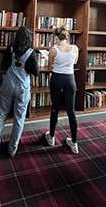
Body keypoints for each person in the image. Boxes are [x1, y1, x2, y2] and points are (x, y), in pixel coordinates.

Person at [0, 26, 39, 158]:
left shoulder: (10, 48)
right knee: (19, 118)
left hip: (8, 84)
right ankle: (12, 148)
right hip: (22, 87)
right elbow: (36, 72)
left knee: (1, 113)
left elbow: (4, 65)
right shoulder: (31, 53)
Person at [44, 25, 79, 154]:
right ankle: (74, 143)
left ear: (56, 37)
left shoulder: (53, 50)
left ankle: (51, 137)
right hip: (70, 80)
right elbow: (74, 62)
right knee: (71, 111)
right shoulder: (74, 48)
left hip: (57, 79)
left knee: (55, 109)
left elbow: (49, 68)